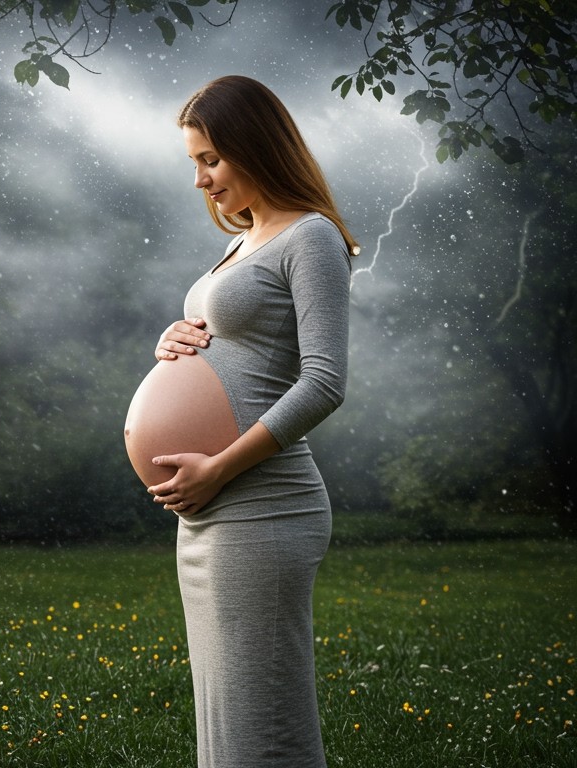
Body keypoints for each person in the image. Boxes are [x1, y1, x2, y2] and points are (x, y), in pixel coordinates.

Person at [148, 76, 357, 766]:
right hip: (210, 513)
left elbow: (324, 382)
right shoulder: (245, 241)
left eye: (210, 159)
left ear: (254, 146)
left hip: (264, 504)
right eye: (194, 164)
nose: (201, 180)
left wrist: (217, 467)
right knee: (225, 722)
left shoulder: (311, 236)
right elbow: (236, 345)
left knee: (260, 724)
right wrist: (173, 340)